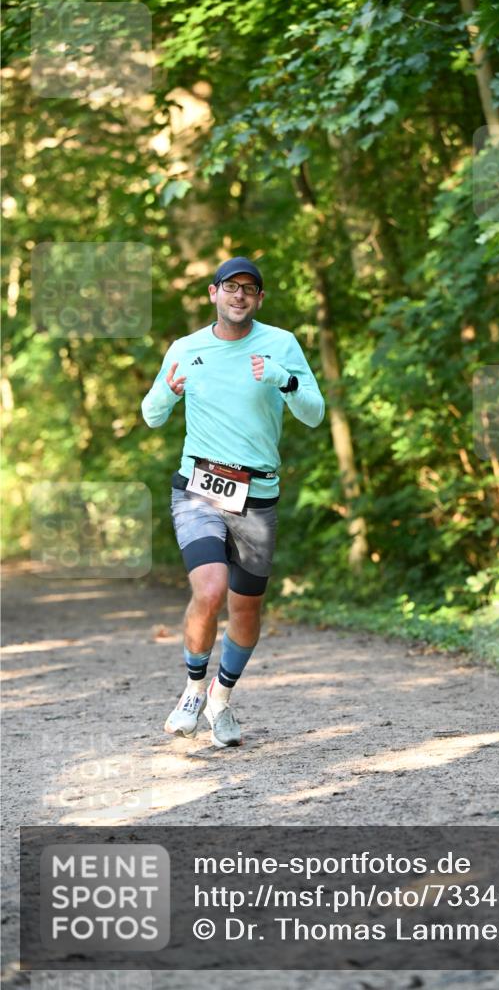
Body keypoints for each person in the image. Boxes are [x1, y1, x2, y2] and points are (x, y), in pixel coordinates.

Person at [141, 257, 325, 748]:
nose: (239, 295)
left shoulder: (281, 344)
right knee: (210, 590)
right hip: (198, 486)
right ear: (213, 293)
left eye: (249, 288)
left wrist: (284, 380)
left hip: (257, 495)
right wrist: (167, 392)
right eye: (230, 286)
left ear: (259, 299)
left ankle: (220, 700)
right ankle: (192, 691)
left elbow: (314, 414)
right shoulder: (186, 348)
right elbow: (152, 415)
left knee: (246, 609)